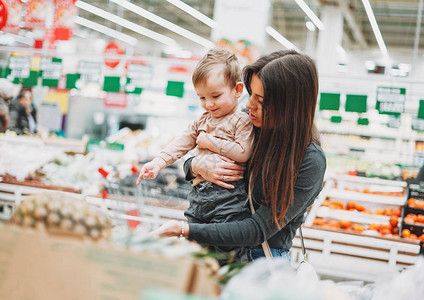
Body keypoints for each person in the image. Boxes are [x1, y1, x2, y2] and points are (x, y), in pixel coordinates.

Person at [150, 50, 327, 262]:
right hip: (214, 249)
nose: (249, 105)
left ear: (288, 106)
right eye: (251, 93)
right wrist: (196, 165)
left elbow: (257, 229)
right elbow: (192, 159)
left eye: (260, 100)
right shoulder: (248, 125)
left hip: (261, 262)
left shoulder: (309, 160)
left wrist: (183, 230)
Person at [137, 49, 254, 263]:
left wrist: (210, 142)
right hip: (199, 197)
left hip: (229, 200)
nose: (209, 104)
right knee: (193, 250)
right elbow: (181, 142)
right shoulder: (202, 120)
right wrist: (158, 162)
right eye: (202, 97)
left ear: (237, 90)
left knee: (225, 253)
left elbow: (244, 152)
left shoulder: (241, 121)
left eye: (215, 96)